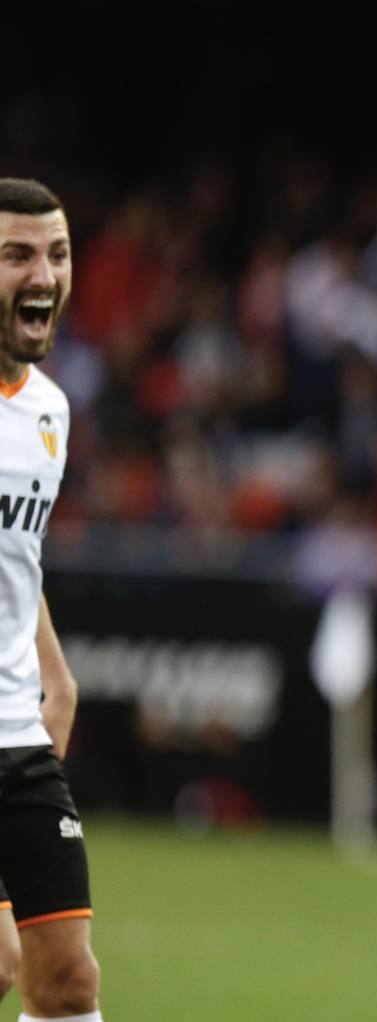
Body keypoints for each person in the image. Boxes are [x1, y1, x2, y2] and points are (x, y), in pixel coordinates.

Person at [0, 178, 104, 1021]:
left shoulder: (49, 413)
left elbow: (14, 559)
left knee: (67, 981)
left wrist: (55, 669)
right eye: (17, 255)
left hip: (18, 738)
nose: (43, 274)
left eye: (57, 254)